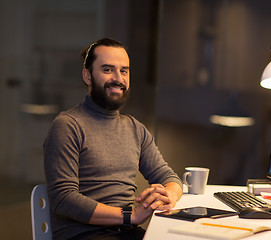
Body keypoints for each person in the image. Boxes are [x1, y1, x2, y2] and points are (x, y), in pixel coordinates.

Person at [43, 38, 183, 240]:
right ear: (87, 76)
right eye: (107, 70)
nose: (118, 78)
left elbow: (169, 177)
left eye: (124, 71)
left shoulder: (135, 129)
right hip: (85, 235)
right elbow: (63, 199)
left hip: (128, 232)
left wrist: (168, 194)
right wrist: (130, 216)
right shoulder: (67, 125)